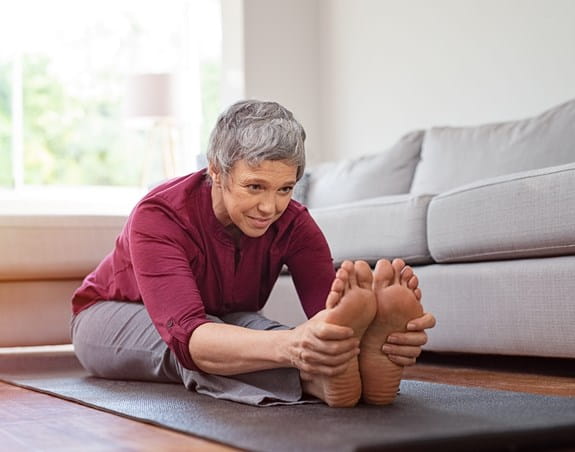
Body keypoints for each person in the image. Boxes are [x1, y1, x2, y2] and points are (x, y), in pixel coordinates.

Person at [71, 100, 436, 407]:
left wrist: (376, 338)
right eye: (255, 186)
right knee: (202, 348)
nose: (269, 206)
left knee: (260, 332)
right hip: (112, 315)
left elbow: (330, 318)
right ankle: (312, 381)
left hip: (220, 317)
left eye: (284, 189)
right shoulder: (159, 215)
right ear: (216, 171)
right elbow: (188, 336)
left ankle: (336, 372)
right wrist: (294, 345)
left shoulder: (295, 223)